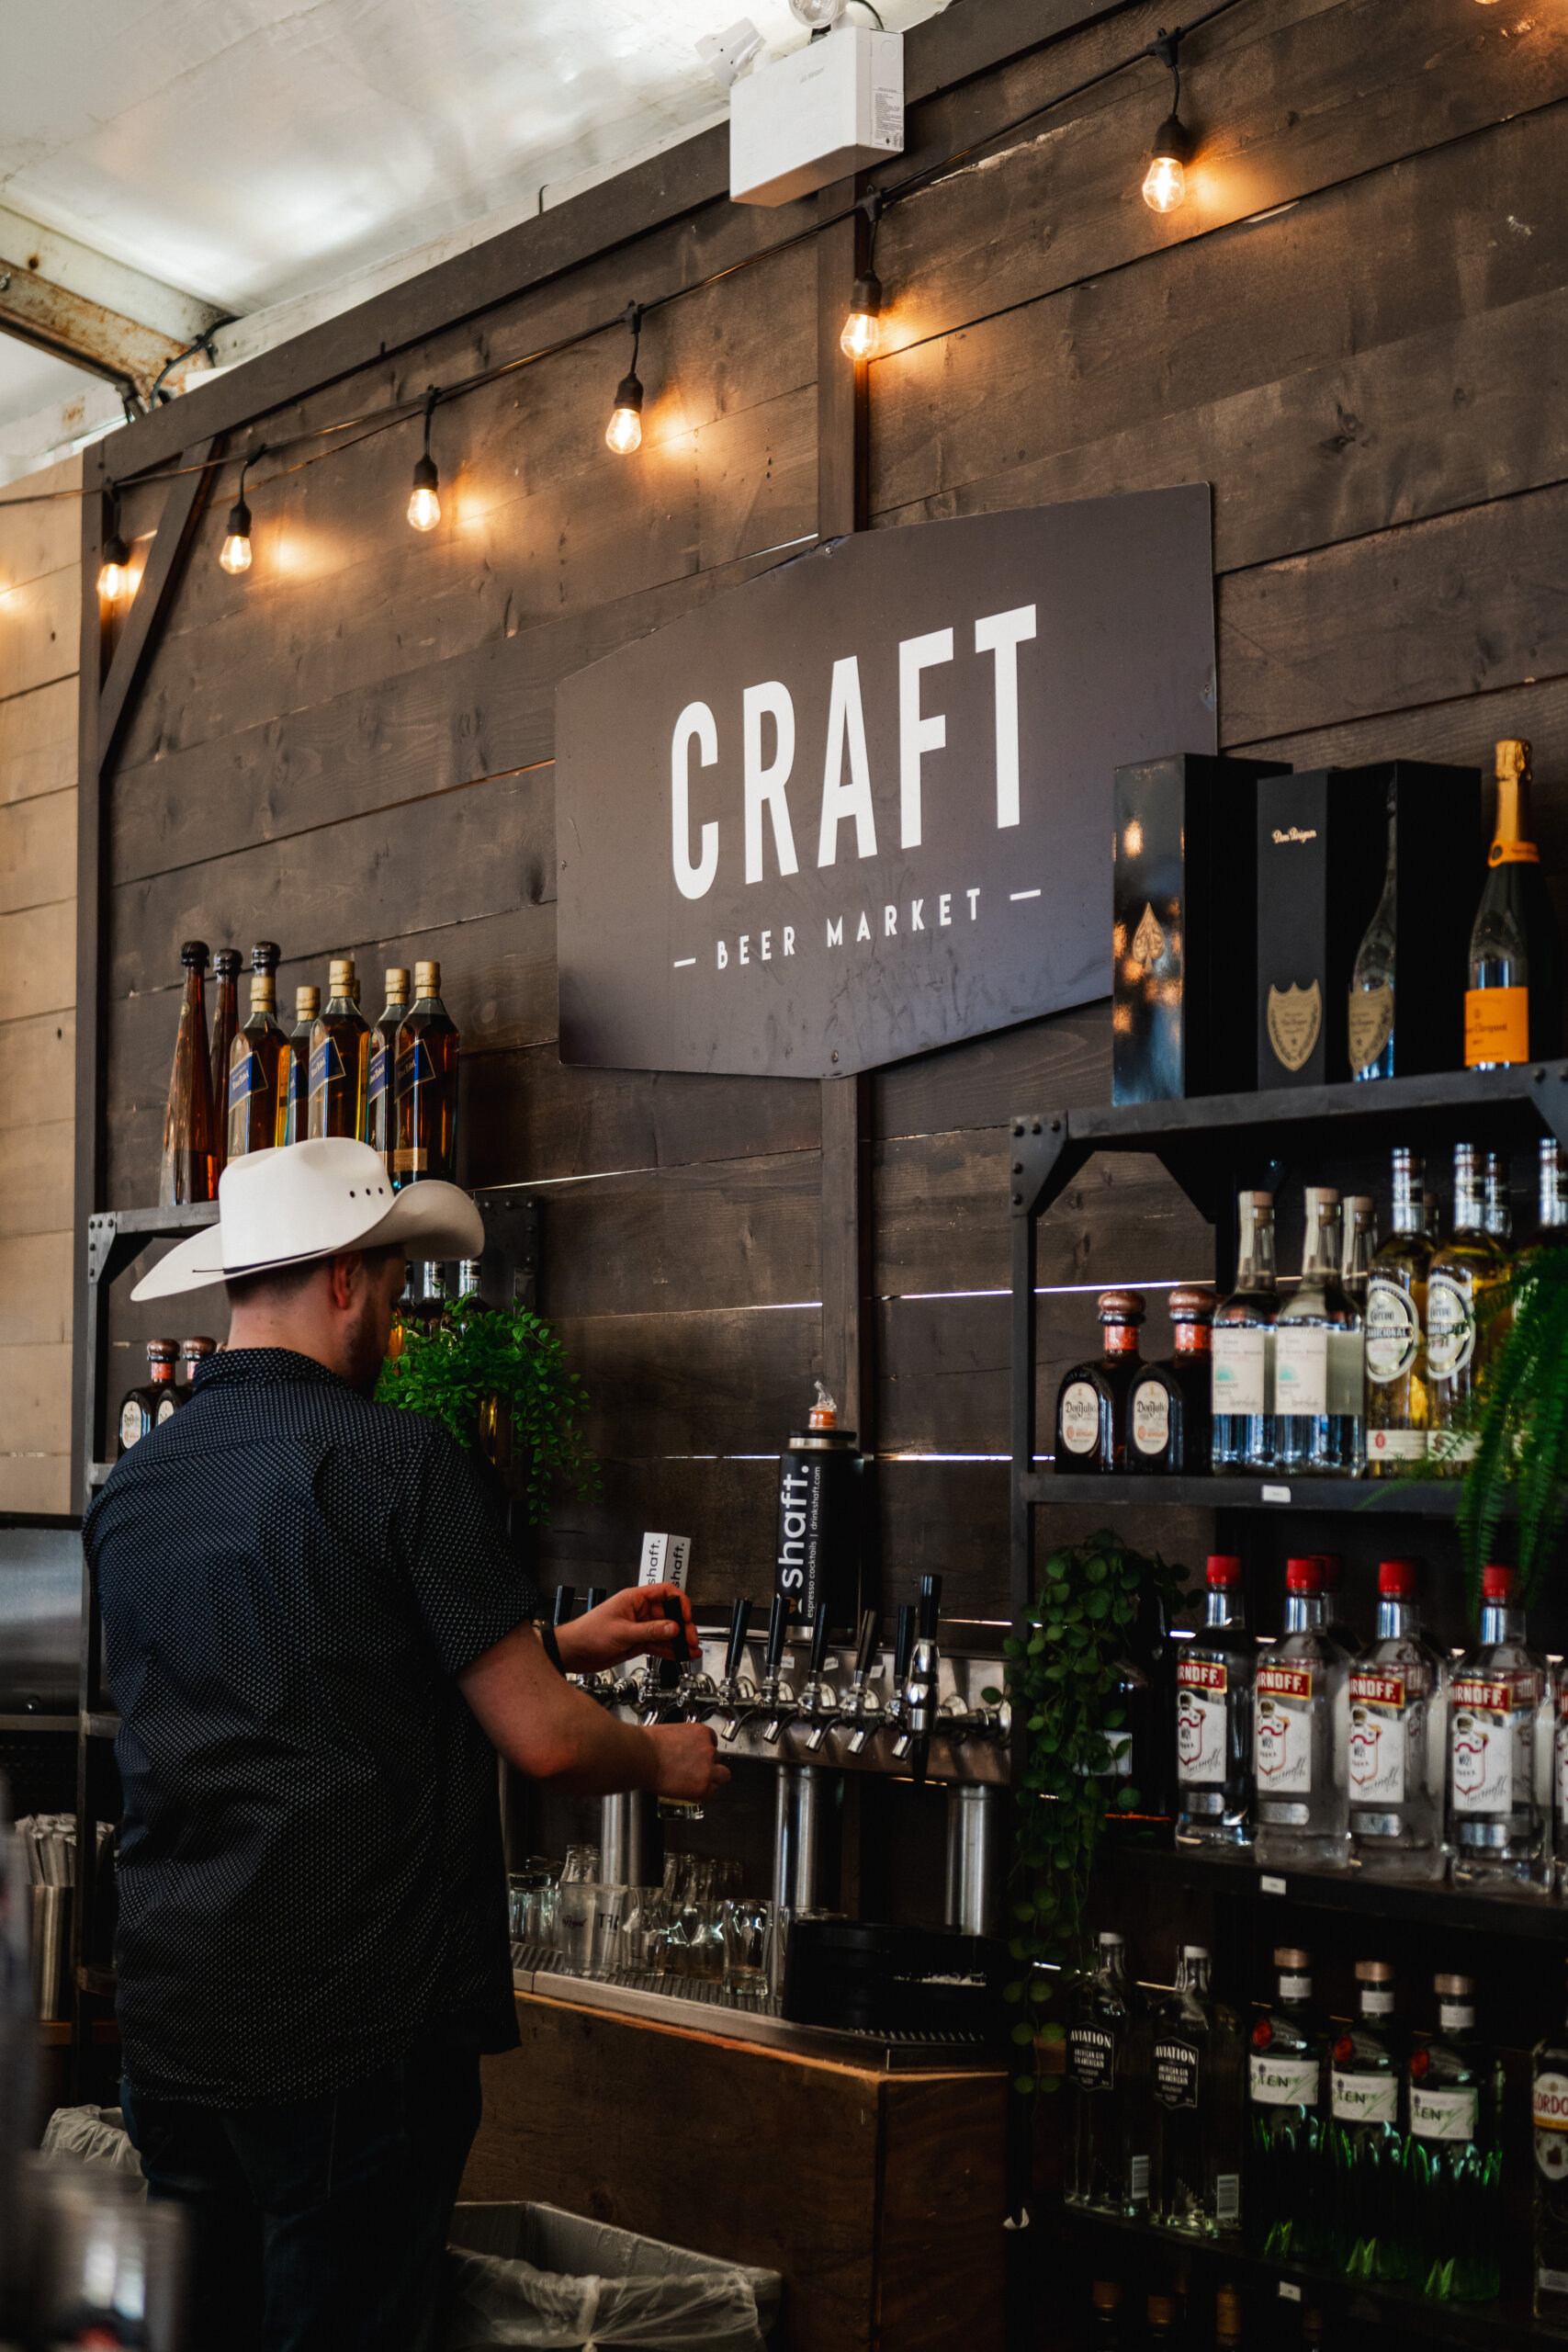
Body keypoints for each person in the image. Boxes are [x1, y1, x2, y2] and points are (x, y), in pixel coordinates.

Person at [83, 1137, 728, 2352]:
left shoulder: (136, 1486)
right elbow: (539, 1744)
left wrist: (557, 1643)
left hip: (175, 2027)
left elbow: (292, 1661)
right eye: (388, 1287)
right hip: (352, 2038)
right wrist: (665, 1762)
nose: (395, 1317)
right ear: (342, 1280)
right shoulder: (400, 1462)